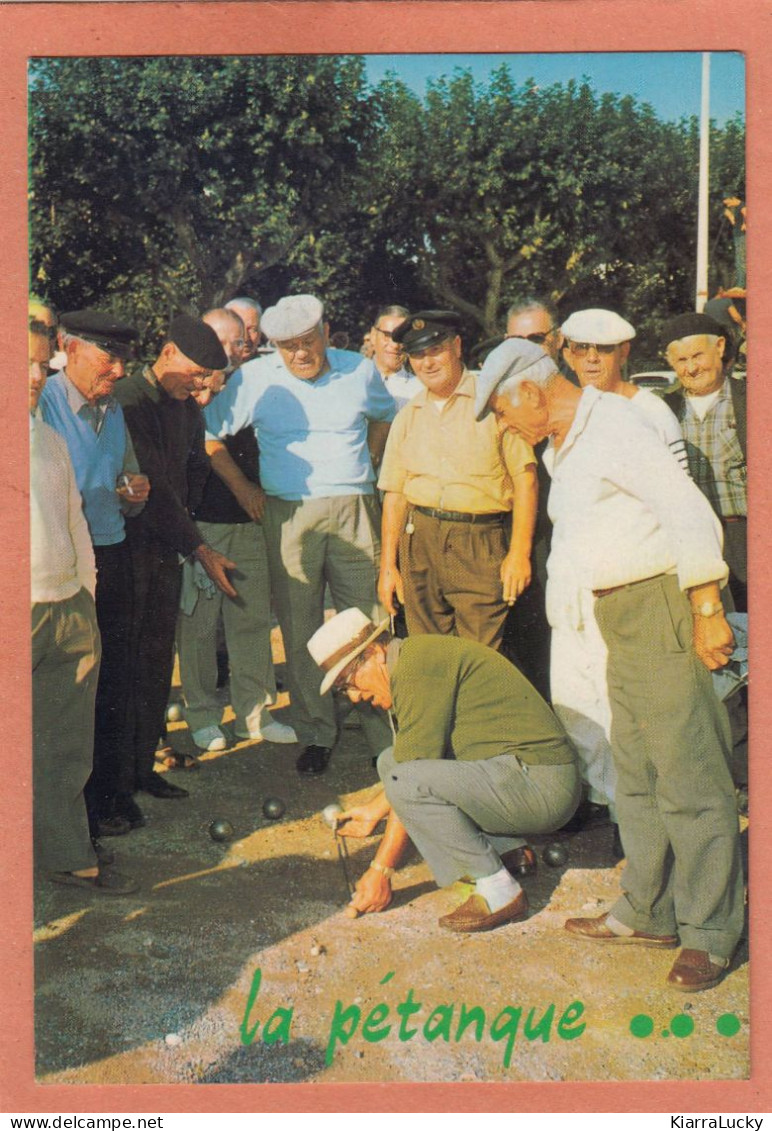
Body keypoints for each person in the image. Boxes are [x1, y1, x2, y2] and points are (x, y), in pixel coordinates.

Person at [476, 337, 743, 992]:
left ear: (532, 392)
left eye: (507, 415)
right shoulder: (564, 443)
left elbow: (687, 508)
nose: (507, 428)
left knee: (689, 771)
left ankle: (710, 930)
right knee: (638, 767)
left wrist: (708, 605)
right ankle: (649, 908)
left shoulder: (617, 424)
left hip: (661, 603)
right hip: (615, 617)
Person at [204, 294, 396, 776]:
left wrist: (370, 463)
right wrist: (243, 487)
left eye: (307, 342)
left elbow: (384, 416)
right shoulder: (255, 378)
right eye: (286, 346)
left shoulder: (359, 370)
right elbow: (209, 434)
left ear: (326, 333)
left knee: (369, 620)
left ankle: (384, 737)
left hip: (355, 506)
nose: (299, 355)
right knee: (300, 624)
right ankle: (317, 732)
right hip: (288, 513)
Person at [307, 608, 579, 930]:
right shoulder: (414, 658)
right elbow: (405, 763)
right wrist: (373, 811)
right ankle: (508, 851)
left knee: (404, 777)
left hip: (543, 787)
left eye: (349, 681)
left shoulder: (416, 671)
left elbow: (408, 779)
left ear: (375, 652)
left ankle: (499, 891)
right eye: (343, 689)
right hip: (525, 775)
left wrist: (380, 870)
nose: (355, 695)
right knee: (389, 761)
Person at [554, 308, 687, 847]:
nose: (590, 359)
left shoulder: (651, 413)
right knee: (575, 696)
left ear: (625, 353)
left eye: (602, 350)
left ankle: (629, 817)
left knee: (619, 705)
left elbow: (677, 503)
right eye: (580, 349)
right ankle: (599, 795)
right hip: (570, 576)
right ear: (565, 352)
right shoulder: (565, 411)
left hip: (626, 577)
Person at [29, 320, 136, 894]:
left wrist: (84, 593)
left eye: (38, 365)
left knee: (65, 743)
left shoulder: (45, 436)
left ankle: (68, 855)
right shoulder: (39, 416)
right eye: (23, 363)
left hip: (68, 599)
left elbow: (72, 515)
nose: (32, 376)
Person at [114, 314, 234, 805]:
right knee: (123, 666)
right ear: (166, 354)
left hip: (167, 549)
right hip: (126, 547)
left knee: (157, 663)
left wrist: (190, 530)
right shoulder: (129, 401)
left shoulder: (185, 408)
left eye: (207, 378)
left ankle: (144, 767)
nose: (199, 385)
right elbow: (153, 484)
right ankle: (115, 782)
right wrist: (199, 546)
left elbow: (193, 469)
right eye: (194, 373)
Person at [378, 310, 538, 654]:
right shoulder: (407, 415)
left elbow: (526, 480)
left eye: (436, 351)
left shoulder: (495, 402)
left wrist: (519, 554)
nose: (427, 363)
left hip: (477, 544)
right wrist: (388, 567)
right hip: (418, 543)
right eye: (417, 355)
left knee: (482, 659)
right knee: (429, 655)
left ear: (458, 347)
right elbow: (395, 496)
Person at [176, 308, 296, 752]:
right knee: (200, 628)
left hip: (250, 523)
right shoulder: (188, 388)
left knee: (250, 623)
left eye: (237, 343)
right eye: (219, 341)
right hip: (202, 525)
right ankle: (204, 716)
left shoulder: (257, 382)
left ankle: (255, 714)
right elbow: (208, 444)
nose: (229, 351)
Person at [662, 312, 747, 613]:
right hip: (692, 545)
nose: (692, 367)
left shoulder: (751, 399)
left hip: (745, 539)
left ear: (721, 347)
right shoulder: (664, 409)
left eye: (698, 355)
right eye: (682, 361)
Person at [369, 304, 421, 409]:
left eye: (402, 338)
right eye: (387, 335)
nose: (395, 345)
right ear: (373, 335)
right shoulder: (351, 381)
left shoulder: (421, 392)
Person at [225, 297, 262, 362]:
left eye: (252, 329)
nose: (246, 338)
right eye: (239, 328)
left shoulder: (271, 370)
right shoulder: (208, 369)